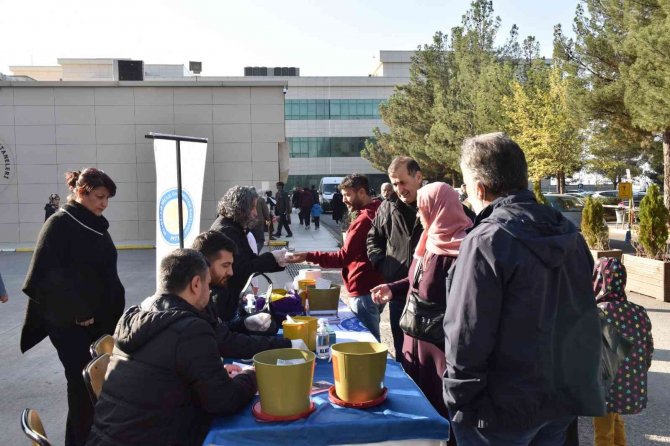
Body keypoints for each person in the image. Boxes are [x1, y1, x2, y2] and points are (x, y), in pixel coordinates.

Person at [443, 132, 605, 445]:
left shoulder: (485, 241)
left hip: (498, 412)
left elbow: (467, 332)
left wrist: (458, 396)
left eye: (465, 186)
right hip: (558, 400)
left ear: (478, 187)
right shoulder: (570, 233)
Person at [86, 249, 257, 446]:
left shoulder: (132, 318)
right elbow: (223, 401)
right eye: (208, 285)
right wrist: (252, 376)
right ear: (195, 284)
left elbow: (157, 375)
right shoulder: (192, 329)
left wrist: (213, 374)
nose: (209, 292)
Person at [21, 168, 125, 446]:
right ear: (81, 192)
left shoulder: (93, 222)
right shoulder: (60, 223)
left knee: (90, 393)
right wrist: (78, 312)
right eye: (99, 197)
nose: (104, 204)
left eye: (107, 199)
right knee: (82, 389)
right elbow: (44, 277)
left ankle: (82, 439)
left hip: (94, 324)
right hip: (70, 326)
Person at [371, 182, 471, 428]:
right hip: (415, 338)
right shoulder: (428, 240)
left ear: (438, 208)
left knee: (439, 410)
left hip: (440, 346)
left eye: (422, 207)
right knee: (417, 404)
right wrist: (392, 289)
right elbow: (417, 279)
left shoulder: (463, 248)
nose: (418, 213)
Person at [286, 174, 384, 340]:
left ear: (361, 193)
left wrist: (308, 256)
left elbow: (342, 258)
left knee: (368, 341)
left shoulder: (365, 219)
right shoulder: (377, 211)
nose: (344, 199)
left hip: (363, 289)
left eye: (347, 195)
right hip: (372, 285)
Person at [367, 156, 424, 360]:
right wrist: (383, 265)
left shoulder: (436, 205)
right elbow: (373, 239)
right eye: (394, 183)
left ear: (418, 177)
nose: (399, 189)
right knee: (403, 353)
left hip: (429, 299)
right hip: (398, 296)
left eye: (403, 182)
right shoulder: (387, 207)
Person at [592, 257, 653, 446]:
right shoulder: (638, 312)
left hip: (603, 387)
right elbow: (648, 350)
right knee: (615, 420)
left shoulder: (595, 313)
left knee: (603, 432)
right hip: (629, 385)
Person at [210, 186, 286, 322]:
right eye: (253, 208)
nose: (256, 213)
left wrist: (279, 261)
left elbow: (250, 260)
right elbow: (242, 269)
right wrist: (274, 257)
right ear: (241, 208)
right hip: (223, 304)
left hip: (228, 300)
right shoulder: (227, 231)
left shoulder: (234, 227)